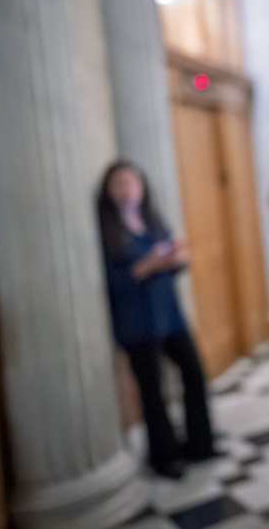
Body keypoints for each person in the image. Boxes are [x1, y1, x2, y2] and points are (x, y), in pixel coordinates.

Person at [97, 160, 218, 479]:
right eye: (120, 183)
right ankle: (164, 457)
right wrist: (146, 265)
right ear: (109, 190)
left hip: (169, 315)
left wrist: (173, 257)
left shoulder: (151, 219)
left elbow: (168, 262)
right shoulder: (108, 230)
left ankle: (200, 444)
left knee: (194, 373)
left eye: (133, 182)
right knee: (153, 392)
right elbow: (112, 281)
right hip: (137, 322)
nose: (128, 189)